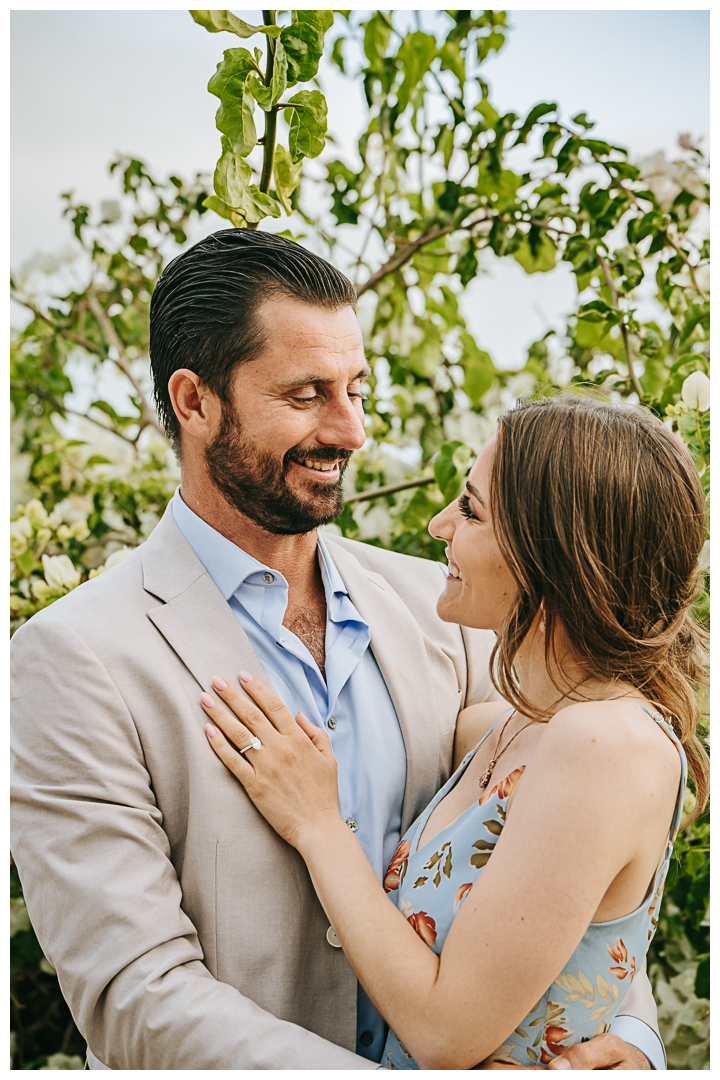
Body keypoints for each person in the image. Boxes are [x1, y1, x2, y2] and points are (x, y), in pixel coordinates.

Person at [11, 231, 662, 1070]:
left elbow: (567, 853)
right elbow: (136, 994)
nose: (350, 429)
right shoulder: (74, 659)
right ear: (194, 401)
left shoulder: (446, 612)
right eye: (307, 394)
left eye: (356, 388)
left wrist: (629, 1038)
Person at [199, 394, 708, 1068]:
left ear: (547, 554)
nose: (441, 525)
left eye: (470, 509)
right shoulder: (500, 727)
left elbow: (444, 1036)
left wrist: (319, 824)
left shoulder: (606, 745)